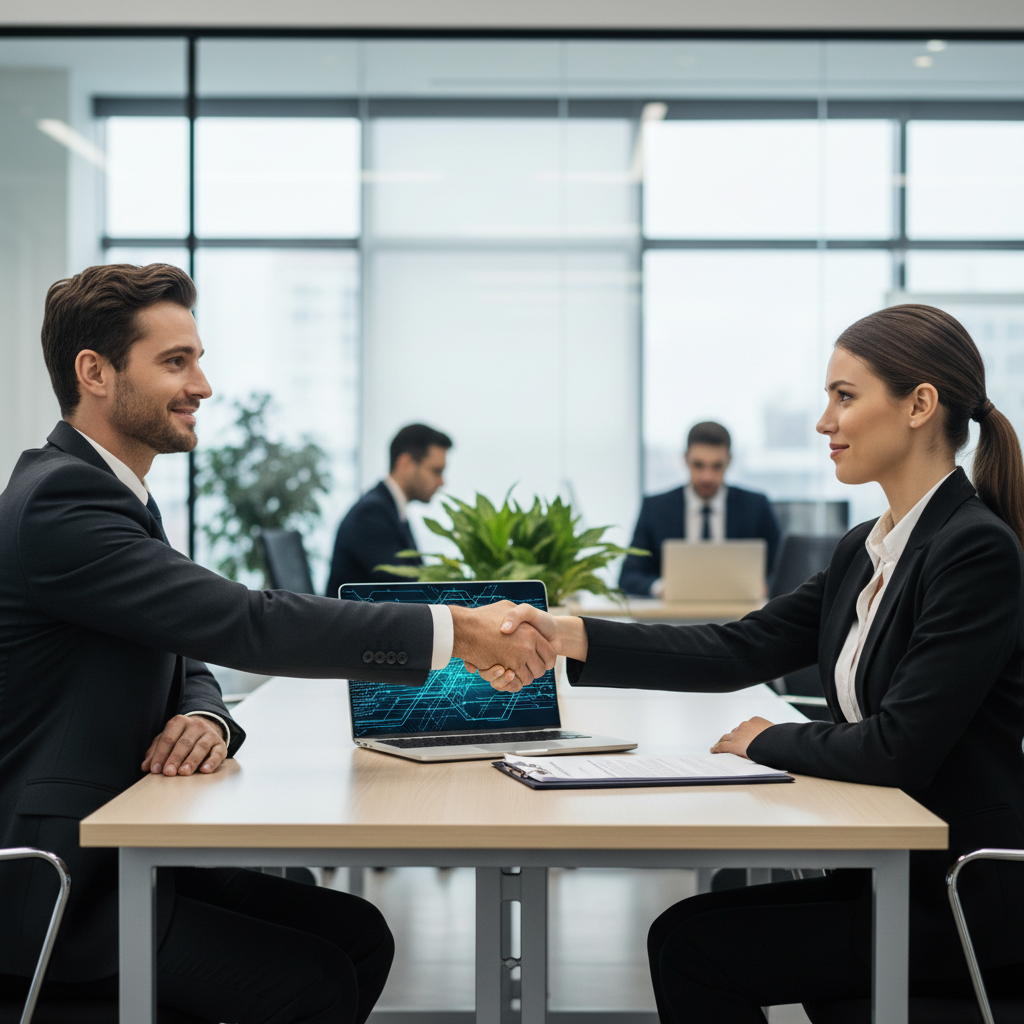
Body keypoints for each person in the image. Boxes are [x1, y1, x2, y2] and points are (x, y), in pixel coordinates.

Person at [0, 264, 551, 1024]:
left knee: (357, 936)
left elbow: (189, 653)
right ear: (93, 373)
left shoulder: (111, 494)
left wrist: (208, 718)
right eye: (175, 362)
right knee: (312, 981)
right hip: (64, 889)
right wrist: (455, 630)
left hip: (131, 846)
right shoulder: (62, 502)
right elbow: (245, 623)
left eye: (197, 358)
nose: (203, 384)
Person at [489, 305, 1024, 1022]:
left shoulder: (974, 551)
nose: (823, 422)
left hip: (958, 895)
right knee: (681, 929)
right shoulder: (866, 547)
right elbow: (735, 648)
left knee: (695, 950)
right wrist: (570, 634)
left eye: (845, 396)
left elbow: (900, 746)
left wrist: (763, 739)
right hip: (890, 867)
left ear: (920, 405)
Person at [619, 421, 781, 596]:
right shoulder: (655, 508)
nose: (707, 477)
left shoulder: (755, 506)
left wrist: (764, 587)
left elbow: (782, 572)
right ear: (686, 459)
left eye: (717, 466)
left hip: (740, 618)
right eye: (699, 465)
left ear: (729, 461)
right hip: (674, 618)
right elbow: (628, 577)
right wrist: (662, 588)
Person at [326, 424, 452, 597]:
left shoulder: (389, 508)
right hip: (356, 623)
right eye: (436, 471)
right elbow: (406, 589)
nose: (441, 482)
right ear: (405, 463)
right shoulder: (371, 514)